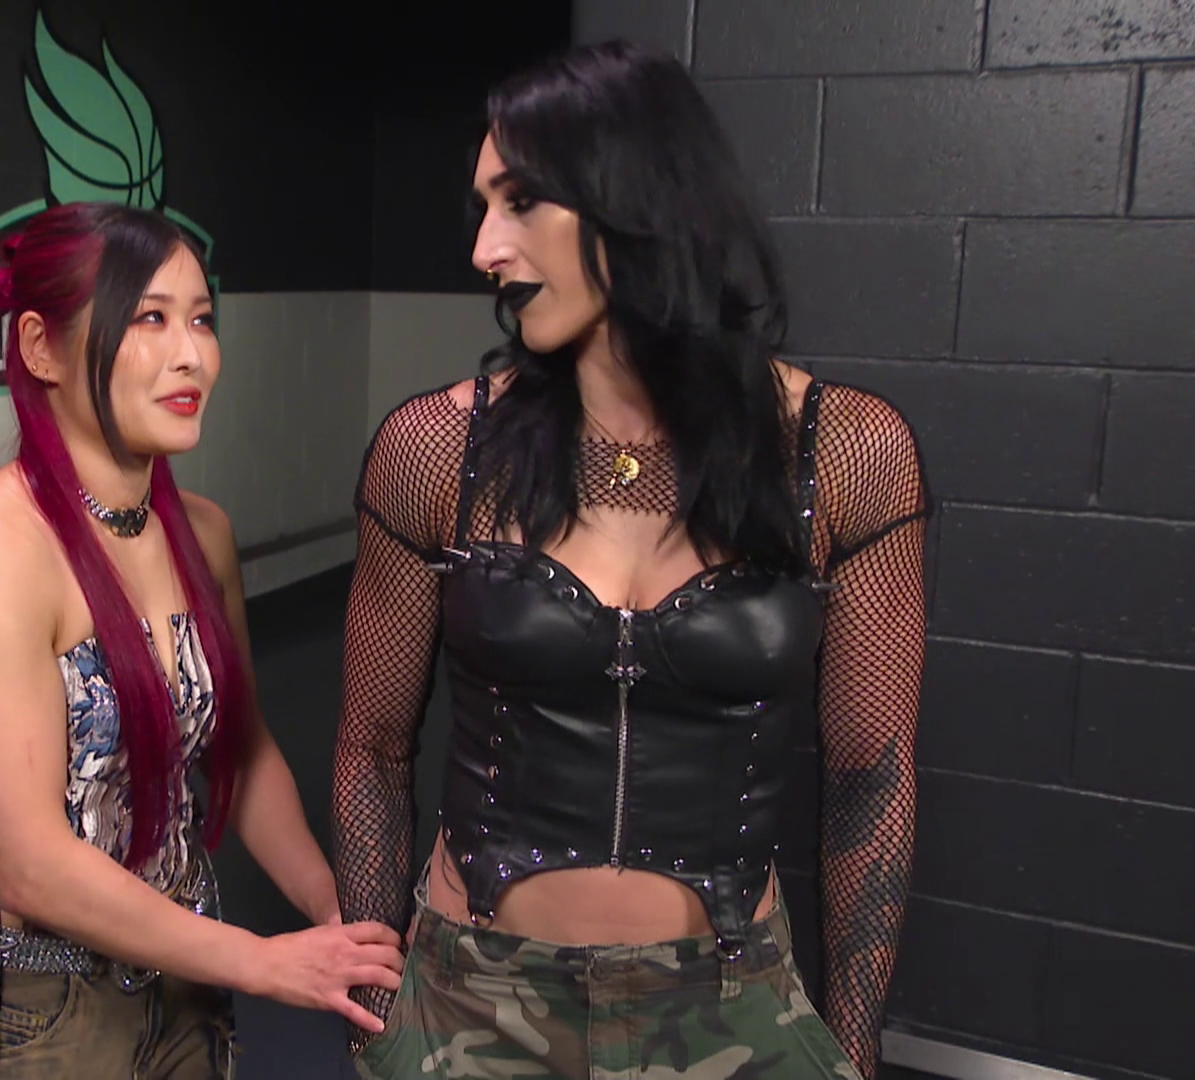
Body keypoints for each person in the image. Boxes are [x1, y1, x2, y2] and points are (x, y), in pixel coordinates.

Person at [334, 41, 927, 1080]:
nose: (484, 250)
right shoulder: (439, 448)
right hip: (472, 1002)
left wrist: (854, 1048)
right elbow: (371, 749)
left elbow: (869, 777)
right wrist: (374, 1008)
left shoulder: (844, 453)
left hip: (729, 1007)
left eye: (520, 202)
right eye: (483, 207)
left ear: (635, 196)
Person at [0, 202, 403, 1080]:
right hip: (29, 1011)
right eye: (149, 319)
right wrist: (260, 960)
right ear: (42, 348)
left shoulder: (203, 534)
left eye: (201, 318)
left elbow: (244, 750)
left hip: (180, 983)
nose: (192, 354)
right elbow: (29, 864)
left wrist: (330, 910)